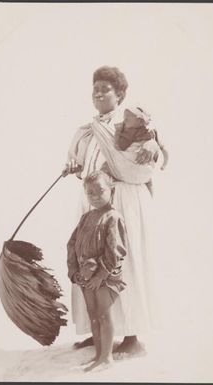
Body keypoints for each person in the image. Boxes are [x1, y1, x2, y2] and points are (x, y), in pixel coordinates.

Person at [64, 65, 160, 358]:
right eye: (95, 89)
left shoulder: (129, 123)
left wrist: (154, 144)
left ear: (120, 94)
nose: (98, 93)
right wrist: (74, 169)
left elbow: (154, 145)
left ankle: (131, 337)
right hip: (94, 201)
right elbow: (85, 163)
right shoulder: (88, 129)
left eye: (105, 89)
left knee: (122, 263)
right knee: (89, 260)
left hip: (124, 200)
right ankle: (99, 333)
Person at [67, 171, 127, 371]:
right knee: (92, 314)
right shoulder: (86, 218)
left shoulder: (113, 217)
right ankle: (98, 354)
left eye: (99, 191)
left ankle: (107, 356)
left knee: (103, 314)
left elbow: (116, 251)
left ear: (111, 190)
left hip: (105, 278)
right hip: (85, 276)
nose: (94, 196)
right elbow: (72, 244)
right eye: (89, 192)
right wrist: (74, 271)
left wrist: (101, 274)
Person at [113, 105, 169, 195]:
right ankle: (151, 196)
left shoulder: (130, 131)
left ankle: (151, 196)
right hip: (143, 165)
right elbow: (163, 149)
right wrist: (164, 164)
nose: (124, 120)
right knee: (149, 181)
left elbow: (120, 146)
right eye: (124, 117)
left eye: (127, 118)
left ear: (139, 121)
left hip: (135, 163)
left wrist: (118, 132)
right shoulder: (151, 131)